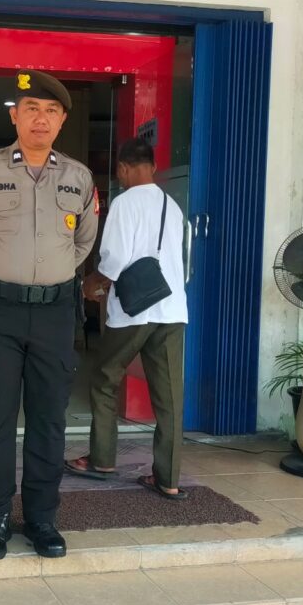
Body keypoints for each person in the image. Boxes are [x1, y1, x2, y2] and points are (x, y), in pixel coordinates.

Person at [0, 70, 98, 560]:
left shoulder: (78, 177)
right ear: (15, 116)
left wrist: (53, 276)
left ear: (62, 120)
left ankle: (42, 518)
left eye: (51, 111)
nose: (41, 119)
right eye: (31, 109)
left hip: (54, 315)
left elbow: (84, 241)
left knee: (49, 420)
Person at [65, 138, 189, 499]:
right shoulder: (172, 205)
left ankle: (102, 459)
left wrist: (91, 284)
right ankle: (167, 479)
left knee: (105, 379)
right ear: (153, 166)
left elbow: (116, 259)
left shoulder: (124, 202)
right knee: (169, 399)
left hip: (134, 311)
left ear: (122, 168)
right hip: (171, 309)